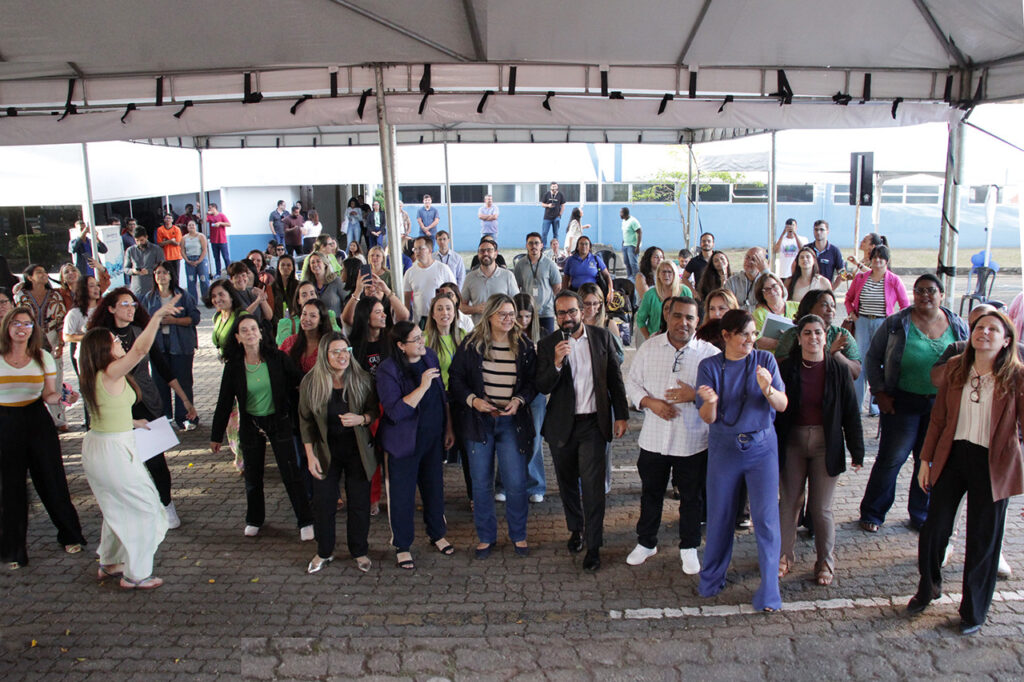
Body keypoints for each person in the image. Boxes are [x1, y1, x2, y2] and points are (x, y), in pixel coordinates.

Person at [908, 311, 1024, 634]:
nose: (984, 333)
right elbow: (938, 418)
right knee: (934, 529)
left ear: (1006, 341)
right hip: (954, 455)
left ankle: (973, 610)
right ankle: (928, 588)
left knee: (983, 538)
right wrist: (925, 461)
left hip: (994, 462)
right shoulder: (957, 367)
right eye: (979, 327)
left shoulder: (1017, 376)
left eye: (993, 329)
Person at [78, 296, 182, 589]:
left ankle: (110, 562)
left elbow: (108, 409)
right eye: (113, 341)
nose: (119, 341)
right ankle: (136, 574)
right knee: (146, 507)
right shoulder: (110, 372)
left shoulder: (98, 375)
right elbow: (140, 349)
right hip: (112, 451)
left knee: (117, 507)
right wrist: (157, 317)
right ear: (103, 350)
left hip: (104, 444)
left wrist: (134, 422)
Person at [859, 274, 969, 534]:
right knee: (892, 458)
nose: (924, 296)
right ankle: (873, 512)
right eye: (919, 291)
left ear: (942, 294)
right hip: (901, 402)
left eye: (931, 290)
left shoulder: (957, 324)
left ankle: (921, 515)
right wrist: (879, 392)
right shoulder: (896, 323)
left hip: (941, 406)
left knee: (928, 460)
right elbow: (873, 358)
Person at [695, 309, 788, 611]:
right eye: (744, 334)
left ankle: (770, 592)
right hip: (724, 448)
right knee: (720, 516)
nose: (751, 340)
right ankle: (711, 580)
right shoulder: (710, 366)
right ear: (726, 336)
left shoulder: (765, 361)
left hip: (762, 448)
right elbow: (707, 417)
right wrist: (710, 402)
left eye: (753, 334)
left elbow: (782, 405)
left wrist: (768, 389)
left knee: (766, 519)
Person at [535, 290, 629, 572]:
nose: (567, 317)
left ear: (582, 311)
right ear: (556, 315)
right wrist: (556, 363)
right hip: (562, 425)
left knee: (592, 486)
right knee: (567, 484)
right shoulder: (548, 344)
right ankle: (575, 529)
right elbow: (542, 385)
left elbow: (614, 378)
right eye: (561, 313)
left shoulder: (601, 337)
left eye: (572, 311)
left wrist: (622, 415)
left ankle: (594, 545)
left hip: (593, 425)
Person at [624, 296, 720, 572]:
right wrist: (649, 402)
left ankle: (689, 546)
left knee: (692, 498)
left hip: (692, 442)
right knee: (650, 493)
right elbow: (632, 383)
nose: (683, 322)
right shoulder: (650, 347)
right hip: (653, 439)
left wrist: (694, 396)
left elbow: (721, 394)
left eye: (690, 317)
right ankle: (646, 542)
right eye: (677, 316)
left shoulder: (710, 354)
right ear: (667, 316)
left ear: (698, 321)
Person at [89, 287, 195, 527]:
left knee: (156, 460)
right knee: (125, 463)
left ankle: (166, 505)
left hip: (146, 402)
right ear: (111, 308)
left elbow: (162, 366)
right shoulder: (102, 338)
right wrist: (157, 317)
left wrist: (185, 399)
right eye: (124, 304)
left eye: (133, 304)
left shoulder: (140, 331)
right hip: (117, 405)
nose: (130, 309)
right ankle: (132, 510)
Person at [775, 314, 864, 586]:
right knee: (789, 502)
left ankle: (825, 561)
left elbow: (851, 412)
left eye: (818, 333)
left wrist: (857, 451)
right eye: (807, 333)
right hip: (793, 442)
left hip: (826, 444)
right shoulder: (787, 368)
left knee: (821, 507)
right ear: (798, 338)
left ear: (825, 337)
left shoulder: (838, 370)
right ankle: (783, 556)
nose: (813, 338)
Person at [210, 315, 315, 540]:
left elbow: (300, 381)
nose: (250, 333)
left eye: (253, 329)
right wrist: (216, 435)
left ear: (260, 333)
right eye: (244, 330)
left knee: (291, 472)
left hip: (279, 421)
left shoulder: (277, 358)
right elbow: (224, 401)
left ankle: (305, 520)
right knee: (253, 475)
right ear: (237, 337)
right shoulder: (234, 367)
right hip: (251, 424)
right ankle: (254, 519)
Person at [449, 295, 537, 559]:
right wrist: (473, 401)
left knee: (516, 482)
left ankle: (519, 535)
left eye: (512, 314)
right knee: (481, 483)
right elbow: (455, 378)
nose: (509, 319)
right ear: (489, 316)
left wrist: (519, 400)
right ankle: (486, 537)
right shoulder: (472, 344)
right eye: (503, 314)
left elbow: (533, 382)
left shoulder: (524, 345)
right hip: (479, 421)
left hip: (512, 422)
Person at [0, 306, 87, 569]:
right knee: (10, 487)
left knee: (51, 479)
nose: (21, 328)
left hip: (37, 418)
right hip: (5, 421)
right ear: (7, 327)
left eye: (27, 324)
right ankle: (14, 550)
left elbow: (49, 394)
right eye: (16, 323)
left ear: (33, 329)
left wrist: (64, 397)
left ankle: (70, 535)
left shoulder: (43, 357)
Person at [376, 321, 455, 569]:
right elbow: (395, 412)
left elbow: (441, 395)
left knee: (434, 488)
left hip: (432, 438)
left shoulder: (429, 356)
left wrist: (448, 427)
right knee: (402, 495)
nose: (422, 342)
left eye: (421, 336)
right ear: (401, 345)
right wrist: (422, 387)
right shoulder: (387, 370)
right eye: (416, 339)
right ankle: (402, 545)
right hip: (403, 443)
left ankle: (437, 533)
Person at [299, 333, 378, 574]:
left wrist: (361, 419)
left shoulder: (362, 378)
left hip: (357, 451)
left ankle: (359, 551)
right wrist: (310, 456)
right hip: (325, 451)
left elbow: (373, 411)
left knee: (359, 503)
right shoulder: (311, 382)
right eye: (336, 352)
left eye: (346, 350)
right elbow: (305, 422)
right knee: (323, 504)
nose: (343, 356)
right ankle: (324, 551)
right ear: (324, 355)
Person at [845, 244, 910, 415]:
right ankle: (856, 404)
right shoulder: (861, 278)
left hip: (883, 324)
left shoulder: (894, 280)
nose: (877, 261)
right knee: (859, 361)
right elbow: (848, 298)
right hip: (862, 322)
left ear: (887, 261)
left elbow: (905, 305)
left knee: (880, 363)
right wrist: (851, 313)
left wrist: (895, 322)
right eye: (874, 257)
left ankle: (875, 405)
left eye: (881, 257)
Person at [140, 262, 200, 431]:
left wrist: (174, 320)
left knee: (183, 381)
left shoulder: (183, 296)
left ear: (171, 275)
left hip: (181, 345)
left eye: (165, 272)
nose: (161, 276)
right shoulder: (149, 298)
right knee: (159, 382)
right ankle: (165, 417)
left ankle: (186, 417)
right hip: (158, 346)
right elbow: (142, 321)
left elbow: (194, 318)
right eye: (158, 273)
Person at [15, 263, 68, 429]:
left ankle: (59, 419)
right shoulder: (21, 295)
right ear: (29, 277)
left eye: (45, 272)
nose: (44, 274)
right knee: (32, 378)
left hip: (52, 338)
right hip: (29, 339)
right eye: (39, 272)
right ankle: (37, 419)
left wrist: (60, 343)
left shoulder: (55, 295)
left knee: (55, 377)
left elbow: (61, 321)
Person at [774, 289, 861, 381]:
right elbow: (779, 368)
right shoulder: (792, 335)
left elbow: (856, 373)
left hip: (835, 387)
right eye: (824, 305)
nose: (830, 310)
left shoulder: (841, 334)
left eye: (833, 306)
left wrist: (836, 355)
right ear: (809, 308)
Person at [513, 232, 563, 337]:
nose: (534, 246)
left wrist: (546, 299)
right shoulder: (520, 265)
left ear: (541, 245)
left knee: (547, 340)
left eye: (536, 243)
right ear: (526, 245)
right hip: (527, 313)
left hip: (546, 312)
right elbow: (516, 287)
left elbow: (557, 287)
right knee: (528, 341)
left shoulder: (550, 264)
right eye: (530, 243)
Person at [402, 235, 455, 325]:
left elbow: (454, 293)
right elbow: (406, 297)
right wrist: (406, 320)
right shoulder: (410, 272)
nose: (417, 252)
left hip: (440, 320)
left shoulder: (443, 269)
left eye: (420, 248)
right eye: (415, 249)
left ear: (430, 250)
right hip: (420, 321)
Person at [636, 261, 692, 343]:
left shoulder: (685, 291)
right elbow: (640, 320)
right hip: (657, 340)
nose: (666, 275)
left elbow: (691, 316)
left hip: (681, 338)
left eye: (669, 272)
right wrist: (648, 338)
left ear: (675, 274)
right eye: (663, 272)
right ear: (658, 275)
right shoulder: (650, 295)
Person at [280, 299, 333, 374]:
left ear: (321, 320)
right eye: (304, 314)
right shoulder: (290, 342)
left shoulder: (329, 344)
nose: (306, 319)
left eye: (313, 316)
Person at [752, 273, 798, 352]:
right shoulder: (758, 314)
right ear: (761, 294)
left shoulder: (797, 306)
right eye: (766, 289)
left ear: (781, 286)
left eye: (774, 286)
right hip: (771, 357)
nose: (772, 291)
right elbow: (758, 341)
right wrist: (785, 341)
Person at [725, 247, 771, 311]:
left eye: (754, 259)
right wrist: (755, 308)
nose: (749, 261)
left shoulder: (767, 281)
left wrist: (765, 272)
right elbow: (729, 307)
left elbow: (774, 303)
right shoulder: (732, 281)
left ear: (762, 263)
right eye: (747, 257)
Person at [301, 252, 345, 318]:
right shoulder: (308, 285)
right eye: (312, 262)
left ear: (325, 264)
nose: (315, 264)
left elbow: (348, 301)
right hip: (314, 322)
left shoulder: (336, 281)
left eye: (318, 261)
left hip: (335, 322)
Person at [123, 227, 163, 297]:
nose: (139, 243)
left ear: (146, 237)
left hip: (153, 289)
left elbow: (163, 267)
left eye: (141, 240)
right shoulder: (130, 250)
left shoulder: (156, 249)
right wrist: (133, 271)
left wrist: (149, 271)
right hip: (136, 289)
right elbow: (125, 269)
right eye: (137, 240)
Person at [181, 219, 210, 303]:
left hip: (201, 260)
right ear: (187, 227)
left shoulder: (201, 236)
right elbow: (182, 250)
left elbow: (204, 250)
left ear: (196, 226)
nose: (191, 227)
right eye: (189, 225)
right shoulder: (184, 238)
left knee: (204, 280)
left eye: (193, 225)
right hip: (189, 260)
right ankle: (193, 301)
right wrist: (187, 260)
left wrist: (199, 260)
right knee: (191, 281)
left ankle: (206, 300)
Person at [205, 203, 232, 277]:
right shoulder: (209, 216)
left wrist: (220, 223)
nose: (209, 210)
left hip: (222, 240)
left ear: (214, 208)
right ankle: (218, 273)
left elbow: (229, 224)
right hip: (214, 241)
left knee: (226, 257)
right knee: (216, 258)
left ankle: (229, 273)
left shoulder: (221, 215)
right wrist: (206, 214)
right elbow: (204, 220)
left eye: (210, 208)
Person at [271, 254, 299, 323]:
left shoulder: (299, 286)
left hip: (296, 323)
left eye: (288, 265)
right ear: (278, 267)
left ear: (293, 268)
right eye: (282, 265)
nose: (285, 267)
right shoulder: (271, 287)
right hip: (277, 324)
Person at [619, 207, 642, 279]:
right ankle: (630, 278)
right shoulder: (623, 221)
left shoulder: (633, 221)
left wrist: (637, 246)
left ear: (625, 213)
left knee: (633, 264)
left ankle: (637, 279)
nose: (620, 214)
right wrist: (623, 242)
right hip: (625, 245)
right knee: (627, 263)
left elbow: (640, 232)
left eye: (621, 213)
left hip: (632, 246)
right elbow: (626, 233)